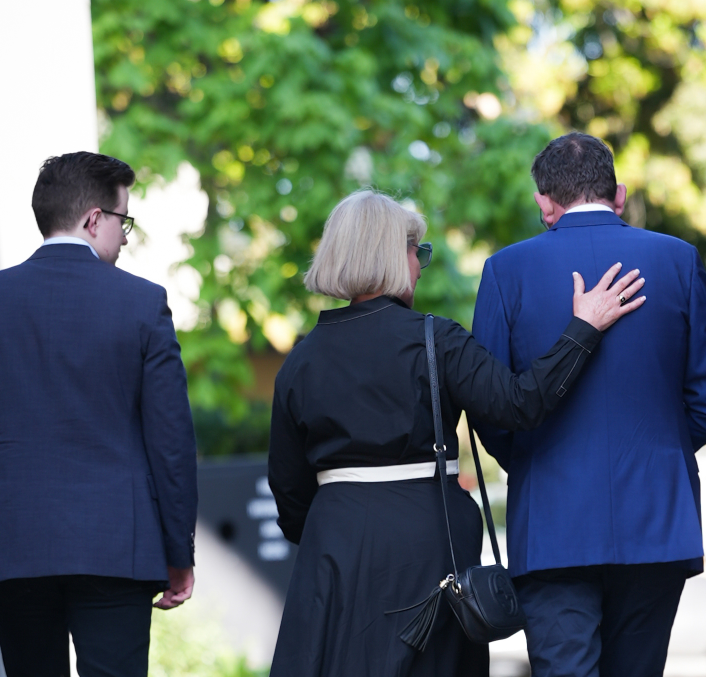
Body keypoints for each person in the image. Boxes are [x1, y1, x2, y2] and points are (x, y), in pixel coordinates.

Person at [267, 189, 645, 677]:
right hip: (425, 545)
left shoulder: (300, 359)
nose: (420, 265)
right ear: (391, 255)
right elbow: (520, 403)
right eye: (416, 251)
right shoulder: (435, 338)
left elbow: (289, 489)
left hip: (333, 548)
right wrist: (583, 328)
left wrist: (332, 536)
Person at [470, 132, 706, 677]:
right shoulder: (679, 260)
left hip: (551, 522)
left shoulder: (505, 270)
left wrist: (533, 460)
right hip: (656, 521)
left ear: (545, 201)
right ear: (617, 192)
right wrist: (658, 448)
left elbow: (490, 405)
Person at [0, 152, 198, 677]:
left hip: (12, 544)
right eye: (125, 221)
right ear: (94, 218)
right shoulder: (143, 304)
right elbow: (171, 441)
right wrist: (178, 551)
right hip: (118, 545)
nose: (125, 236)